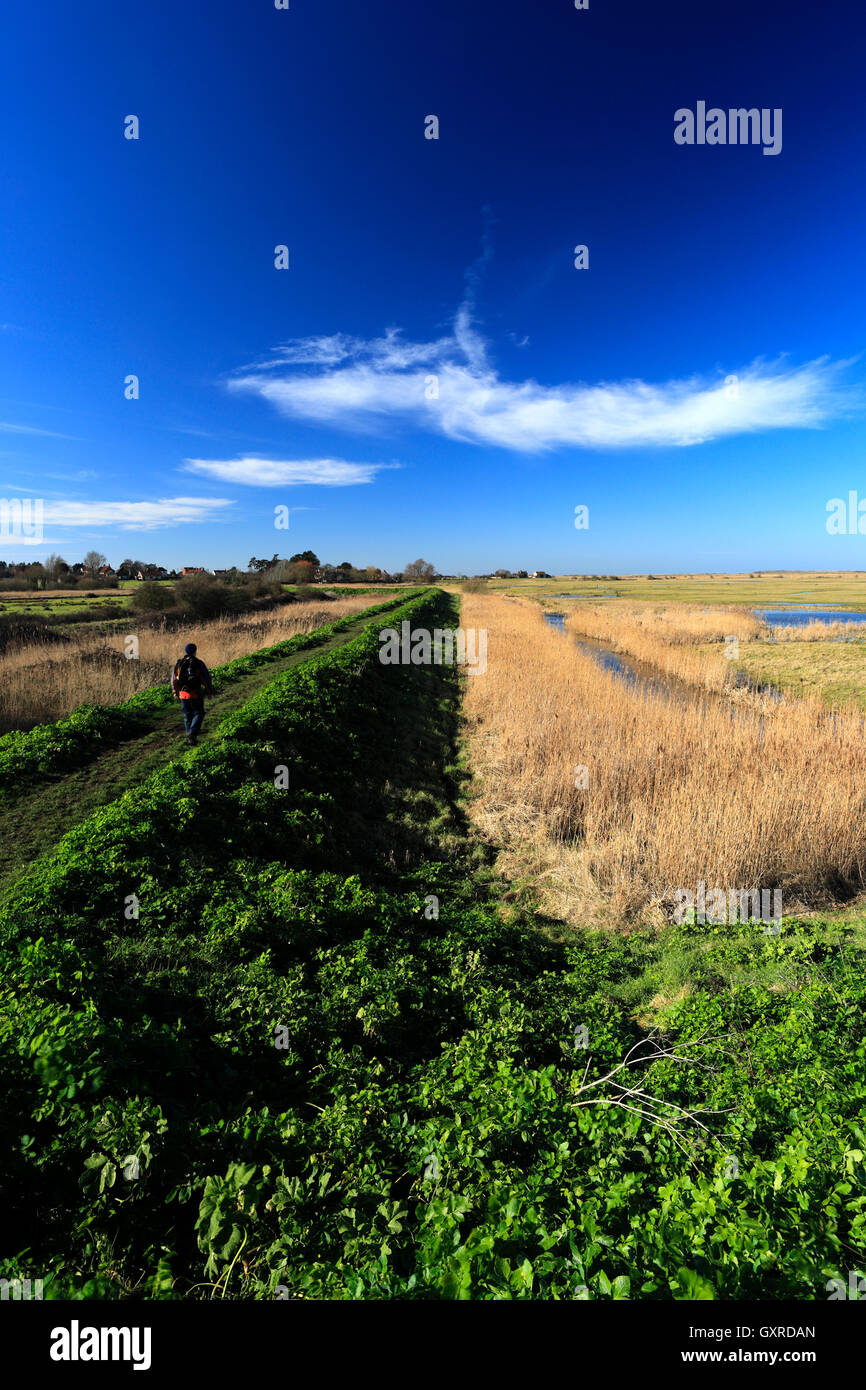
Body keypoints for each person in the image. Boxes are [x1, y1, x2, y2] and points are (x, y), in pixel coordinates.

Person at [171, 642, 214, 746]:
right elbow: (205, 679)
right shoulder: (198, 663)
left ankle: (189, 738)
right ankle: (192, 733)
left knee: (187, 715)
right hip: (195, 693)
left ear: (185, 651)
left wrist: (175, 692)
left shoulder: (179, 663)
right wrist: (209, 692)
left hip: (182, 693)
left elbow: (174, 679)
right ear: (195, 651)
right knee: (199, 713)